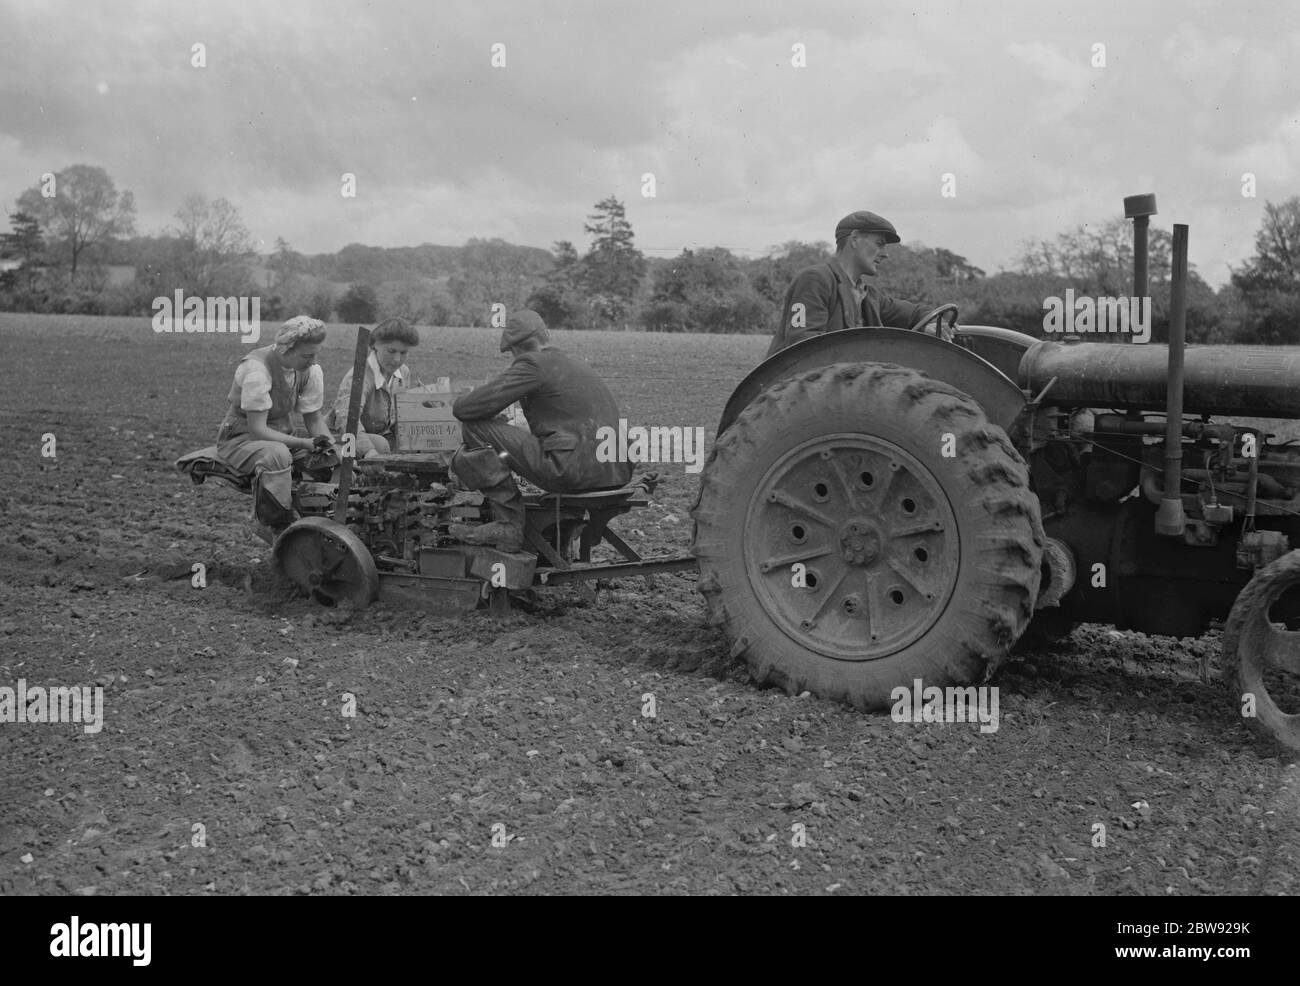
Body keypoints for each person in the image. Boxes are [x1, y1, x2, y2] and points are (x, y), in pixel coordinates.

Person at [448, 309, 632, 552]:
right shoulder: (575, 365)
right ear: (546, 335)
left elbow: (465, 409)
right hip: (617, 470)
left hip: (569, 470)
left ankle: (508, 524)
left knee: (475, 427)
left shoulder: (533, 363)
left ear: (516, 349)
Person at [216, 315, 334, 532]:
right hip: (242, 438)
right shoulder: (257, 370)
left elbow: (314, 420)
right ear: (285, 350)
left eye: (316, 353)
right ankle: (276, 524)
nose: (314, 361)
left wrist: (332, 448)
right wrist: (304, 443)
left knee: (329, 458)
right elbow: (258, 430)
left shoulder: (309, 371)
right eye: (307, 355)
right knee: (278, 455)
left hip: (280, 434)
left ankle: (323, 521)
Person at [766, 210, 933, 357]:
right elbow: (803, 347)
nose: (885, 254)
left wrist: (931, 323)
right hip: (792, 387)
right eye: (879, 244)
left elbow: (914, 313)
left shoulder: (868, 296)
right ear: (854, 239)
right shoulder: (814, 280)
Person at [328, 316, 420, 457]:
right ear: (375, 346)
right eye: (391, 351)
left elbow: (400, 419)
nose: (397, 360)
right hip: (343, 439)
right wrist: (368, 450)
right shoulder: (359, 376)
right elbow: (346, 421)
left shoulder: (403, 372)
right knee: (381, 445)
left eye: (403, 353)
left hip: (382, 435)